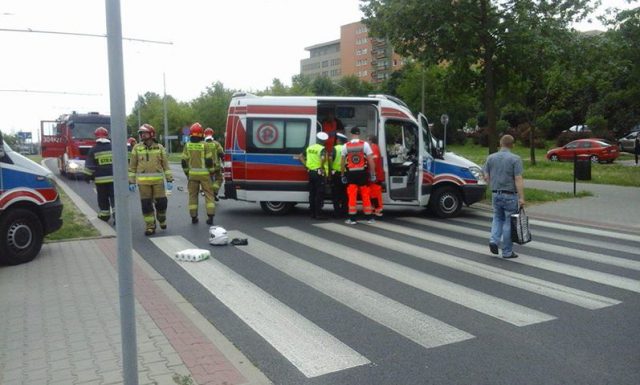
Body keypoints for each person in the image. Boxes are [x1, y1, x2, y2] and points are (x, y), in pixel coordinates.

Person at [483, 134, 525, 258]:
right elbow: (518, 178)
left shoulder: (491, 158)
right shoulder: (515, 159)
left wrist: (490, 180)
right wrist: (521, 197)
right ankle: (507, 252)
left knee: (497, 218)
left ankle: (493, 240)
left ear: (500, 143)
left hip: (495, 193)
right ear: (512, 145)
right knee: (508, 222)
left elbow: (485, 174)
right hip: (510, 195)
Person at [128, 123, 174, 236]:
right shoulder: (137, 148)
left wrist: (169, 179)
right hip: (143, 184)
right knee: (146, 205)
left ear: (151, 134)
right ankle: (150, 226)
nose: (142, 135)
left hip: (158, 183)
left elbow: (166, 166)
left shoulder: (160, 148)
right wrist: (131, 182)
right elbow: (132, 167)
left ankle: (161, 219)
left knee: (162, 204)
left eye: (145, 133)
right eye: (141, 133)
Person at [183, 123, 217, 225]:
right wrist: (211, 172)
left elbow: (184, 162)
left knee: (193, 196)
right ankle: (210, 217)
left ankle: (194, 217)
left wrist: (187, 173)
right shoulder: (205, 145)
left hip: (192, 175)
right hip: (205, 175)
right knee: (209, 195)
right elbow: (209, 161)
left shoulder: (187, 145)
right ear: (201, 134)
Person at [341, 126, 376, 225]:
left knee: (352, 196)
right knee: (365, 195)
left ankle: (352, 219)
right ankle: (369, 218)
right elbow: (370, 161)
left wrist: (343, 174)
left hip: (351, 174)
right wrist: (373, 174)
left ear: (351, 134)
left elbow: (342, 162)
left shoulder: (345, 146)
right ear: (359, 134)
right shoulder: (365, 144)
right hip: (363, 174)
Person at [84, 127, 115, 224]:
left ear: (96, 137)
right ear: (107, 136)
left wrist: (87, 177)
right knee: (115, 198)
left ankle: (104, 215)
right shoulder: (114, 147)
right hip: (114, 180)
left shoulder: (93, 150)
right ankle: (118, 217)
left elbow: (89, 166)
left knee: (102, 198)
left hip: (100, 181)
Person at [300, 132, 329, 219]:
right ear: (324, 141)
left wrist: (306, 166)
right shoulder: (322, 149)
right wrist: (321, 167)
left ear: (317, 139)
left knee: (312, 193)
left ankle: (312, 213)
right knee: (319, 193)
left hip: (311, 172)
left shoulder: (310, 148)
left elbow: (301, 156)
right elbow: (323, 158)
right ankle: (318, 214)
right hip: (318, 173)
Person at [330, 132, 349, 218]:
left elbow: (330, 159)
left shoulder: (334, 149)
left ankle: (337, 213)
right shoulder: (348, 148)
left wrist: (330, 170)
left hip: (336, 174)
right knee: (345, 194)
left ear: (338, 140)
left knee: (336, 194)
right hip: (346, 174)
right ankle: (344, 212)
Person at [204, 127, 224, 199]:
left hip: (206, 167)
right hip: (216, 167)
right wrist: (224, 163)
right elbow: (221, 154)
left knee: (208, 181)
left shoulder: (203, 144)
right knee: (219, 179)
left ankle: (208, 192)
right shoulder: (216, 144)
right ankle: (214, 192)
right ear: (212, 134)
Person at [368, 135, 384, 217]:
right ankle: (375, 209)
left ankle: (377, 209)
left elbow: (373, 160)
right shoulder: (375, 147)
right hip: (377, 174)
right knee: (374, 193)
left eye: (368, 140)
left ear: (371, 140)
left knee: (375, 193)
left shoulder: (373, 148)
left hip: (375, 175)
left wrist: (372, 173)